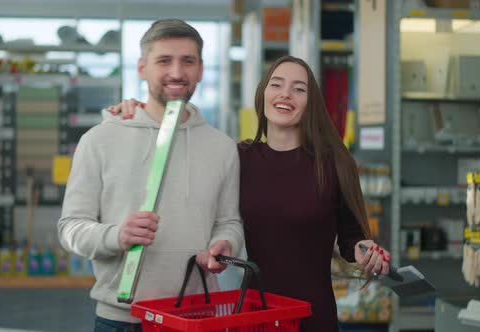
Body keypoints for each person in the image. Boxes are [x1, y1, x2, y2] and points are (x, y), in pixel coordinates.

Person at [109, 55, 392, 332]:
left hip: (312, 315)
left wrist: (364, 250)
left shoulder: (333, 164)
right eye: (276, 84)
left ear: (311, 103)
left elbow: (351, 241)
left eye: (299, 89)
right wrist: (141, 114)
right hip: (255, 314)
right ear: (263, 95)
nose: (286, 94)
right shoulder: (238, 157)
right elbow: (181, 147)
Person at [58, 19, 244, 332]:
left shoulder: (223, 148)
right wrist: (116, 235)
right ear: (142, 68)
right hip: (122, 320)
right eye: (164, 61)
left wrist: (226, 244)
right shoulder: (100, 139)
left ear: (200, 69)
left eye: (187, 61)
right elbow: (70, 229)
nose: (176, 72)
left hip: (197, 317)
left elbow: (229, 222)